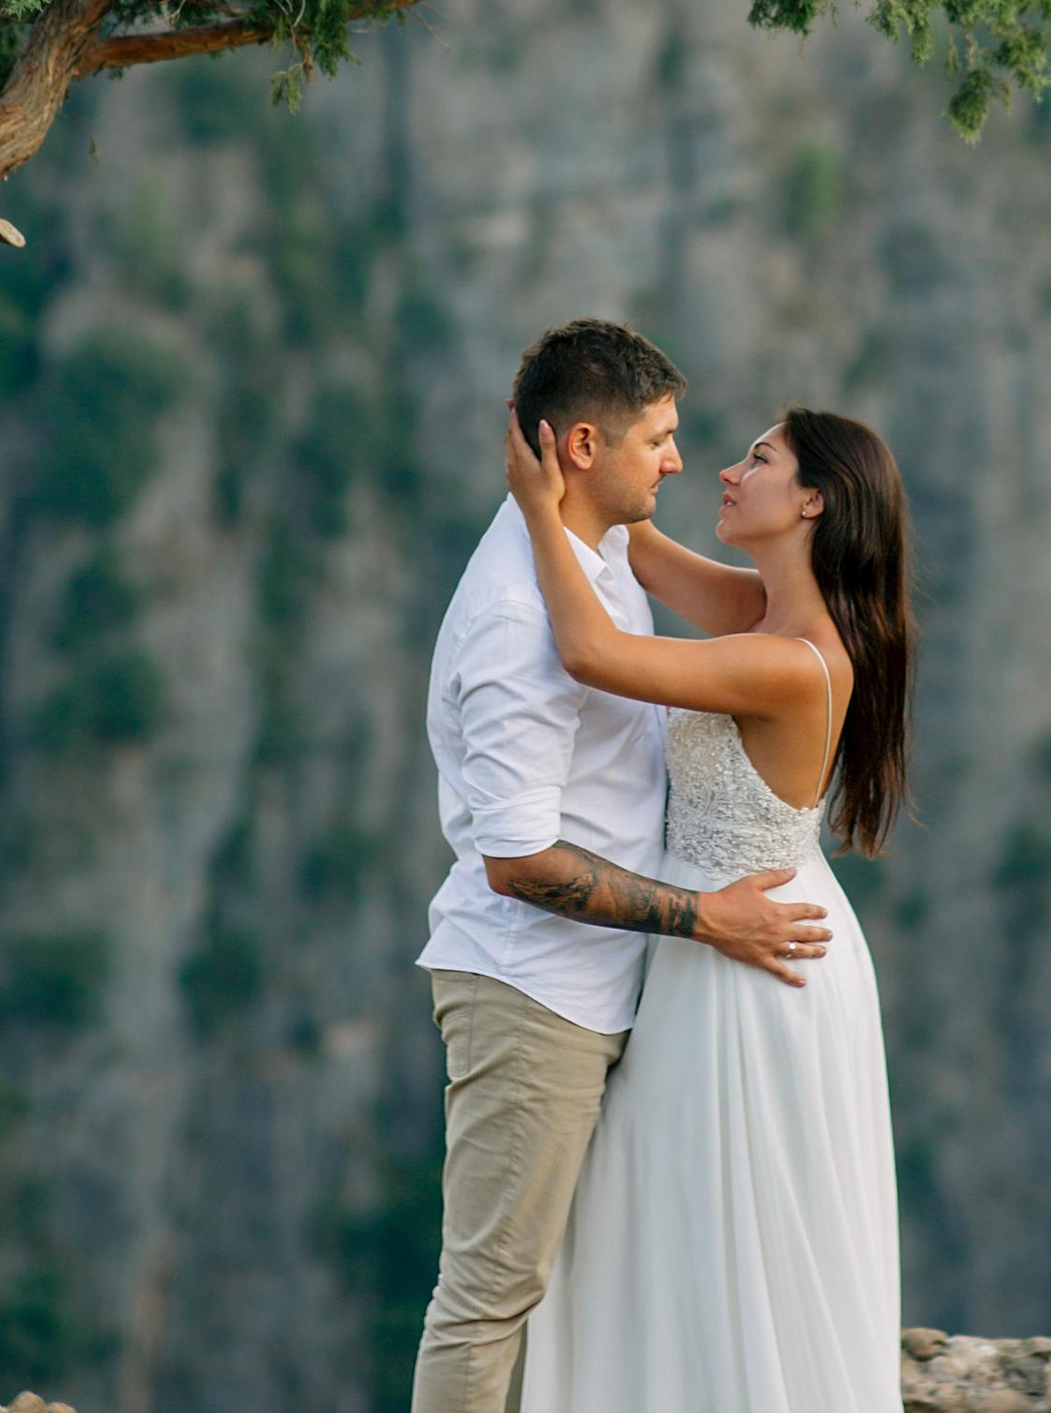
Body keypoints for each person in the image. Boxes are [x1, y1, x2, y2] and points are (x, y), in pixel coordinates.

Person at [412, 320, 832, 1413]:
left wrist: (549, 502)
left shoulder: (594, 549)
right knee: (493, 1291)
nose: (685, 461)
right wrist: (704, 918)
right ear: (586, 446)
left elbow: (744, 610)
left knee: (596, 1292)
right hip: (532, 988)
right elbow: (514, 859)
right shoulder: (520, 611)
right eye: (663, 437)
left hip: (615, 986)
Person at [513, 398, 915, 1413]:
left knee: (721, 1229)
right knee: (685, 1221)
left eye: (758, 459)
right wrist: (583, 446)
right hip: (730, 938)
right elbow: (642, 552)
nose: (725, 471)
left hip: (753, 961)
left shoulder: (790, 659)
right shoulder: (768, 614)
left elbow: (595, 652)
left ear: (812, 499)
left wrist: (532, 507)